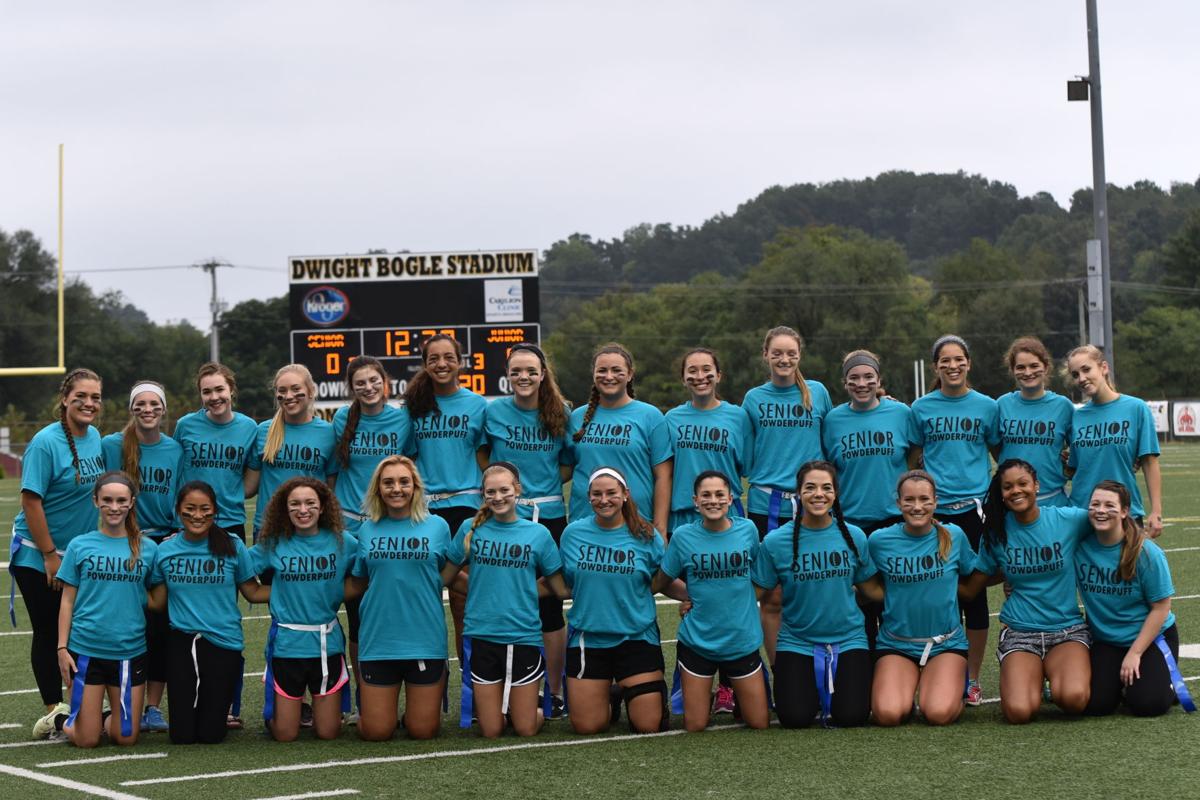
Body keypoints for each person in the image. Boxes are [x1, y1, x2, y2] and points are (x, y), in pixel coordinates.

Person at [12, 368, 106, 737]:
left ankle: (80, 700)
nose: (88, 403)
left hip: (76, 555)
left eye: (95, 397)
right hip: (40, 554)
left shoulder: (95, 436)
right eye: (81, 396)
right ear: (65, 398)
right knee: (49, 630)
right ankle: (54, 710)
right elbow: (31, 500)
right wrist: (51, 554)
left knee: (78, 630)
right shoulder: (45, 442)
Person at [961, 459, 1092, 724]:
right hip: (1021, 631)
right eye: (1008, 487)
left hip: (1065, 629)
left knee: (1074, 698)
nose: (1016, 491)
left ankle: (1053, 675)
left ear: (1036, 485)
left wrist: (1140, 542)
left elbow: (1109, 524)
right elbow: (975, 584)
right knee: (1019, 712)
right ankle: (1032, 676)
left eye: (1023, 483)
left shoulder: (1067, 519)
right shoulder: (997, 533)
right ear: (1001, 494)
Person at [752, 461, 879, 728]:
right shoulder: (776, 542)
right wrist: (702, 599)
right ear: (798, 492)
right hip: (797, 640)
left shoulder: (854, 536)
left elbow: (870, 590)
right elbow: (757, 592)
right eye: (810, 487)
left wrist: (921, 592)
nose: (818, 494)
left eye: (826, 487)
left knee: (852, 716)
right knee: (794, 718)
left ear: (836, 493)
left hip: (849, 639)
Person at [36, 472, 157, 748]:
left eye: (121, 500)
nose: (114, 507)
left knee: (125, 738)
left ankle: (99, 714)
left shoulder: (148, 549)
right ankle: (58, 718)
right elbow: (66, 601)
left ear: (132, 503)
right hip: (86, 651)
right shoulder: (80, 545)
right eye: (107, 500)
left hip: (129, 652)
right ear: (95, 501)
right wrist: (62, 648)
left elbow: (157, 592)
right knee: (87, 740)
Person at [482, 343, 572, 716]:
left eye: (531, 371)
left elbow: (568, 463)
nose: (524, 377)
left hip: (547, 516)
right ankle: (504, 687)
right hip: (504, 514)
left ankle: (552, 690)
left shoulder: (559, 411)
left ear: (542, 373)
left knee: (550, 603)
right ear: (508, 374)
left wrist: (540, 486)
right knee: (506, 598)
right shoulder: (494, 411)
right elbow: (484, 456)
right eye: (517, 371)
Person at [909, 334, 998, 705]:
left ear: (968, 362)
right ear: (936, 367)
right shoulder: (922, 408)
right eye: (945, 361)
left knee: (973, 596)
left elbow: (1001, 452)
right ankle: (931, 670)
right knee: (934, 593)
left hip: (974, 512)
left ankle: (972, 678)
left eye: (958, 359)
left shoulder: (987, 406)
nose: (952, 366)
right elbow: (912, 458)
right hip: (935, 513)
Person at [449, 463, 567, 738]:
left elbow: (558, 586)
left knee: (525, 728)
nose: (498, 497)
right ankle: (510, 704)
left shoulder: (538, 533)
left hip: (523, 637)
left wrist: (522, 590)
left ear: (517, 490)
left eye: (505, 490)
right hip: (483, 635)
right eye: (491, 491)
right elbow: (447, 575)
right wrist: (479, 588)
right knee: (491, 730)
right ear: (482, 494)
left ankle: (532, 706)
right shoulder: (470, 529)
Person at [561, 467, 682, 735]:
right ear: (588, 497)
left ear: (625, 494)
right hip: (588, 639)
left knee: (648, 725)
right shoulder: (572, 534)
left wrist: (695, 597)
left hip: (636, 637)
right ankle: (611, 693)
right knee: (588, 726)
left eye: (611, 493)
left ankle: (624, 688)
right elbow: (562, 583)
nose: (604, 499)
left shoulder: (647, 536)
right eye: (597, 494)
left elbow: (661, 581)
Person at [146, 481, 267, 744]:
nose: (198, 515)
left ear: (215, 511)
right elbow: (157, 602)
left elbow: (252, 592)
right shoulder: (165, 549)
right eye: (190, 508)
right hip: (181, 642)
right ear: (178, 511)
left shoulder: (232, 545)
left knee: (211, 734)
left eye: (205, 509)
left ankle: (219, 713)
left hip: (223, 642)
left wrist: (300, 589)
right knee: (182, 736)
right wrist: (120, 589)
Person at [346, 456, 457, 741]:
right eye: (388, 483)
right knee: (376, 732)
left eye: (404, 482)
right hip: (379, 638)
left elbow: (450, 572)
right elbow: (359, 580)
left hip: (424, 638)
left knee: (423, 731)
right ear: (378, 489)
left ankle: (414, 713)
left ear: (415, 486)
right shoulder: (367, 528)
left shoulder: (438, 526)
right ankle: (378, 714)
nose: (397, 488)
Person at [743, 326, 832, 675]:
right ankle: (784, 674)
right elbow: (747, 456)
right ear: (765, 355)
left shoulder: (819, 393)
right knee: (773, 595)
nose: (784, 359)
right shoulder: (753, 399)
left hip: (813, 504)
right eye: (777, 353)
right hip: (768, 507)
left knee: (815, 586)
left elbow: (830, 443)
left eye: (791, 353)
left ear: (800, 355)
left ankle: (820, 665)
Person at [657, 471, 769, 733]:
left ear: (731, 499)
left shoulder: (748, 530)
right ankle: (706, 694)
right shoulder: (683, 536)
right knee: (695, 725)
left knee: (759, 723)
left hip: (741, 639)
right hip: (698, 641)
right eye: (706, 495)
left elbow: (762, 582)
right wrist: (689, 596)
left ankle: (733, 694)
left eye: (720, 495)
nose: (713, 500)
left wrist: (737, 604)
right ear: (695, 501)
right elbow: (662, 581)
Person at [332, 355, 411, 720]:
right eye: (360, 382)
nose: (368, 387)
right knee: (357, 612)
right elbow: (334, 474)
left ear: (385, 381)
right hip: (353, 526)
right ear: (352, 388)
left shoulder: (401, 418)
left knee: (390, 607)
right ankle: (363, 696)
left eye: (373, 380)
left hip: (388, 525)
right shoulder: (340, 420)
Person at [821, 349, 918, 648]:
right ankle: (865, 670)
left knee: (895, 600)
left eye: (868, 377)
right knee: (860, 603)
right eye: (854, 377)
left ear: (879, 380)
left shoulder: (901, 413)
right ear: (844, 382)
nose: (861, 383)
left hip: (892, 521)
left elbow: (913, 454)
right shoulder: (834, 419)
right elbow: (828, 468)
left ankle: (898, 667)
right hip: (850, 523)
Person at [102, 379, 183, 732]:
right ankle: (116, 700)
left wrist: (175, 537)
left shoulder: (176, 449)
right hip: (124, 541)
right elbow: (104, 491)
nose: (147, 410)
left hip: (162, 545)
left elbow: (180, 498)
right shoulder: (113, 445)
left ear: (163, 409)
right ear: (131, 408)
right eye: (141, 404)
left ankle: (152, 707)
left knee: (159, 628)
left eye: (154, 404)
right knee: (122, 624)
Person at [253, 477, 357, 741]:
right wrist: (276, 594)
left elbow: (364, 574)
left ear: (322, 507)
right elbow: (241, 568)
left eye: (310, 503)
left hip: (327, 644)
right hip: (288, 644)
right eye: (295, 504)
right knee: (284, 734)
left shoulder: (343, 541)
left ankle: (312, 708)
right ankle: (284, 711)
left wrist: (333, 593)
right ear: (284, 510)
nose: (303, 510)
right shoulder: (274, 543)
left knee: (328, 732)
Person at [869, 471, 976, 726]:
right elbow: (866, 582)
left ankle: (948, 687)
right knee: (888, 714)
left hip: (945, 644)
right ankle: (909, 685)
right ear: (898, 503)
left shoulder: (954, 536)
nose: (917, 507)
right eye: (909, 500)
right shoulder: (879, 541)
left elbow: (975, 573)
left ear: (936, 501)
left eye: (925, 499)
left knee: (938, 713)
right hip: (897, 643)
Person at [404, 334, 488, 660]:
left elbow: (485, 457)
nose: (441, 364)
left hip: (466, 508)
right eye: (433, 358)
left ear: (460, 362)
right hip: (424, 513)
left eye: (448, 357)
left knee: (463, 602)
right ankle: (432, 682)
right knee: (422, 598)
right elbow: (407, 459)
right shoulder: (413, 407)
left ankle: (473, 685)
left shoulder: (478, 405)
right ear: (425, 364)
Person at [1078, 481, 1186, 717]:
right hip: (1106, 640)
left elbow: (1161, 607)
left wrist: (1135, 653)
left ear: (1125, 511)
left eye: (1109, 505)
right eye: (1095, 504)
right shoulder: (1080, 548)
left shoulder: (1146, 552)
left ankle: (1165, 684)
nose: (1101, 510)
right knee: (1095, 704)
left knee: (1148, 704)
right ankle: (1123, 683)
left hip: (1150, 638)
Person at [568, 343, 672, 538]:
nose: (609, 376)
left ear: (630, 374)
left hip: (637, 523)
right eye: (602, 370)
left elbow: (663, 477)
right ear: (593, 374)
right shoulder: (577, 417)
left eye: (616, 370)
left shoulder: (650, 416)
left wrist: (660, 528)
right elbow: (565, 466)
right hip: (584, 523)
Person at [1065, 345, 1163, 536]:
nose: (1082, 378)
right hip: (1082, 513)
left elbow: (1150, 463)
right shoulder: (1076, 417)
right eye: (1075, 374)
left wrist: (1156, 511)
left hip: (1124, 511)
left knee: (1129, 566)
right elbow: (1076, 469)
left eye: (1086, 369)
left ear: (1104, 368)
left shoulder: (1136, 408)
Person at [245, 364, 338, 539]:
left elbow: (331, 489)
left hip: (310, 529)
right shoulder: (263, 431)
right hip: (268, 529)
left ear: (311, 391)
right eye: (282, 390)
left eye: (296, 389)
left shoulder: (328, 433)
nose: (288, 396)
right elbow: (249, 488)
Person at [664, 347, 753, 530]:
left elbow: (748, 468)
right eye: (692, 370)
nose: (699, 376)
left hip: (726, 516)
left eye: (706, 369)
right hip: (682, 520)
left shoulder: (739, 417)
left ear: (718, 375)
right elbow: (665, 475)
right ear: (683, 379)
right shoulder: (671, 419)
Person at [175, 362, 259, 542]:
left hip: (231, 522)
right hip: (190, 521)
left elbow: (252, 478)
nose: (214, 397)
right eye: (206, 392)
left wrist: (230, 494)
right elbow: (174, 471)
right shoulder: (185, 425)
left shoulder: (249, 427)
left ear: (231, 390)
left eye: (220, 389)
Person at [996, 337, 1074, 507]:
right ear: (1012, 370)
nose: (1028, 372)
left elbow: (1082, 449)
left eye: (1034, 365)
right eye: (1021, 367)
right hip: (1012, 502)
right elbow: (992, 447)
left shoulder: (1063, 406)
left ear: (1045, 367)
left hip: (1052, 501)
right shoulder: (1002, 404)